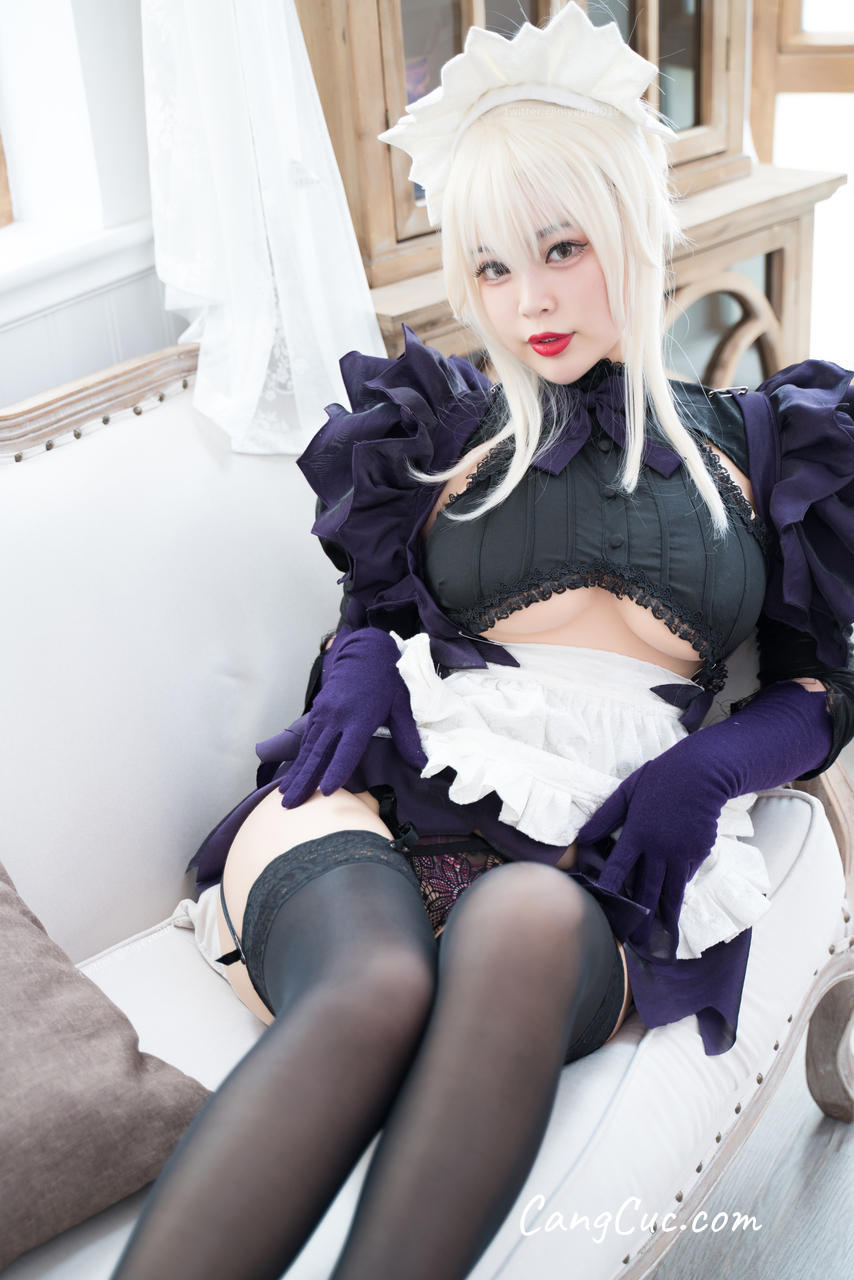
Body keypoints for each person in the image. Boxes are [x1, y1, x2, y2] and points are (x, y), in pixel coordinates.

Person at [111, 6, 854, 1279]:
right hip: (377, 791)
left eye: (560, 248)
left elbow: (817, 684)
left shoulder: (764, 440)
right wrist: (354, 660)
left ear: (631, 224)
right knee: (373, 987)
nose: (529, 302)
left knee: (520, 921)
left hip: (585, 849)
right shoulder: (441, 428)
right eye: (493, 267)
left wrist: (707, 768)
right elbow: (373, 614)